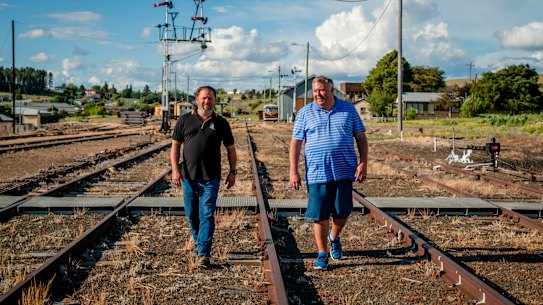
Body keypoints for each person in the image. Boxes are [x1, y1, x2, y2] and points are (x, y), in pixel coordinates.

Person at [289, 76, 368, 270]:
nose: (318, 94)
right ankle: (322, 253)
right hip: (317, 173)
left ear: (332, 91)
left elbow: (361, 137)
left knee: (342, 212)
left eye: (322, 90)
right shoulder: (305, 113)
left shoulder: (348, 109)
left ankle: (334, 236)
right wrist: (293, 171)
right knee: (320, 215)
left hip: (344, 170)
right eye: (315, 91)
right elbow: (296, 143)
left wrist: (363, 163)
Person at [170, 85, 237, 269]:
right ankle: (200, 244)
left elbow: (231, 149)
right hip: (188, 177)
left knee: (207, 214)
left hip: (211, 178)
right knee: (192, 215)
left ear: (215, 101)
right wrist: (175, 170)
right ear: (196, 100)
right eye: (204, 98)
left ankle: (203, 254)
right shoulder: (184, 121)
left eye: (211, 98)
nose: (207, 101)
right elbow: (175, 148)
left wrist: (233, 171)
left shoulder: (222, 123)